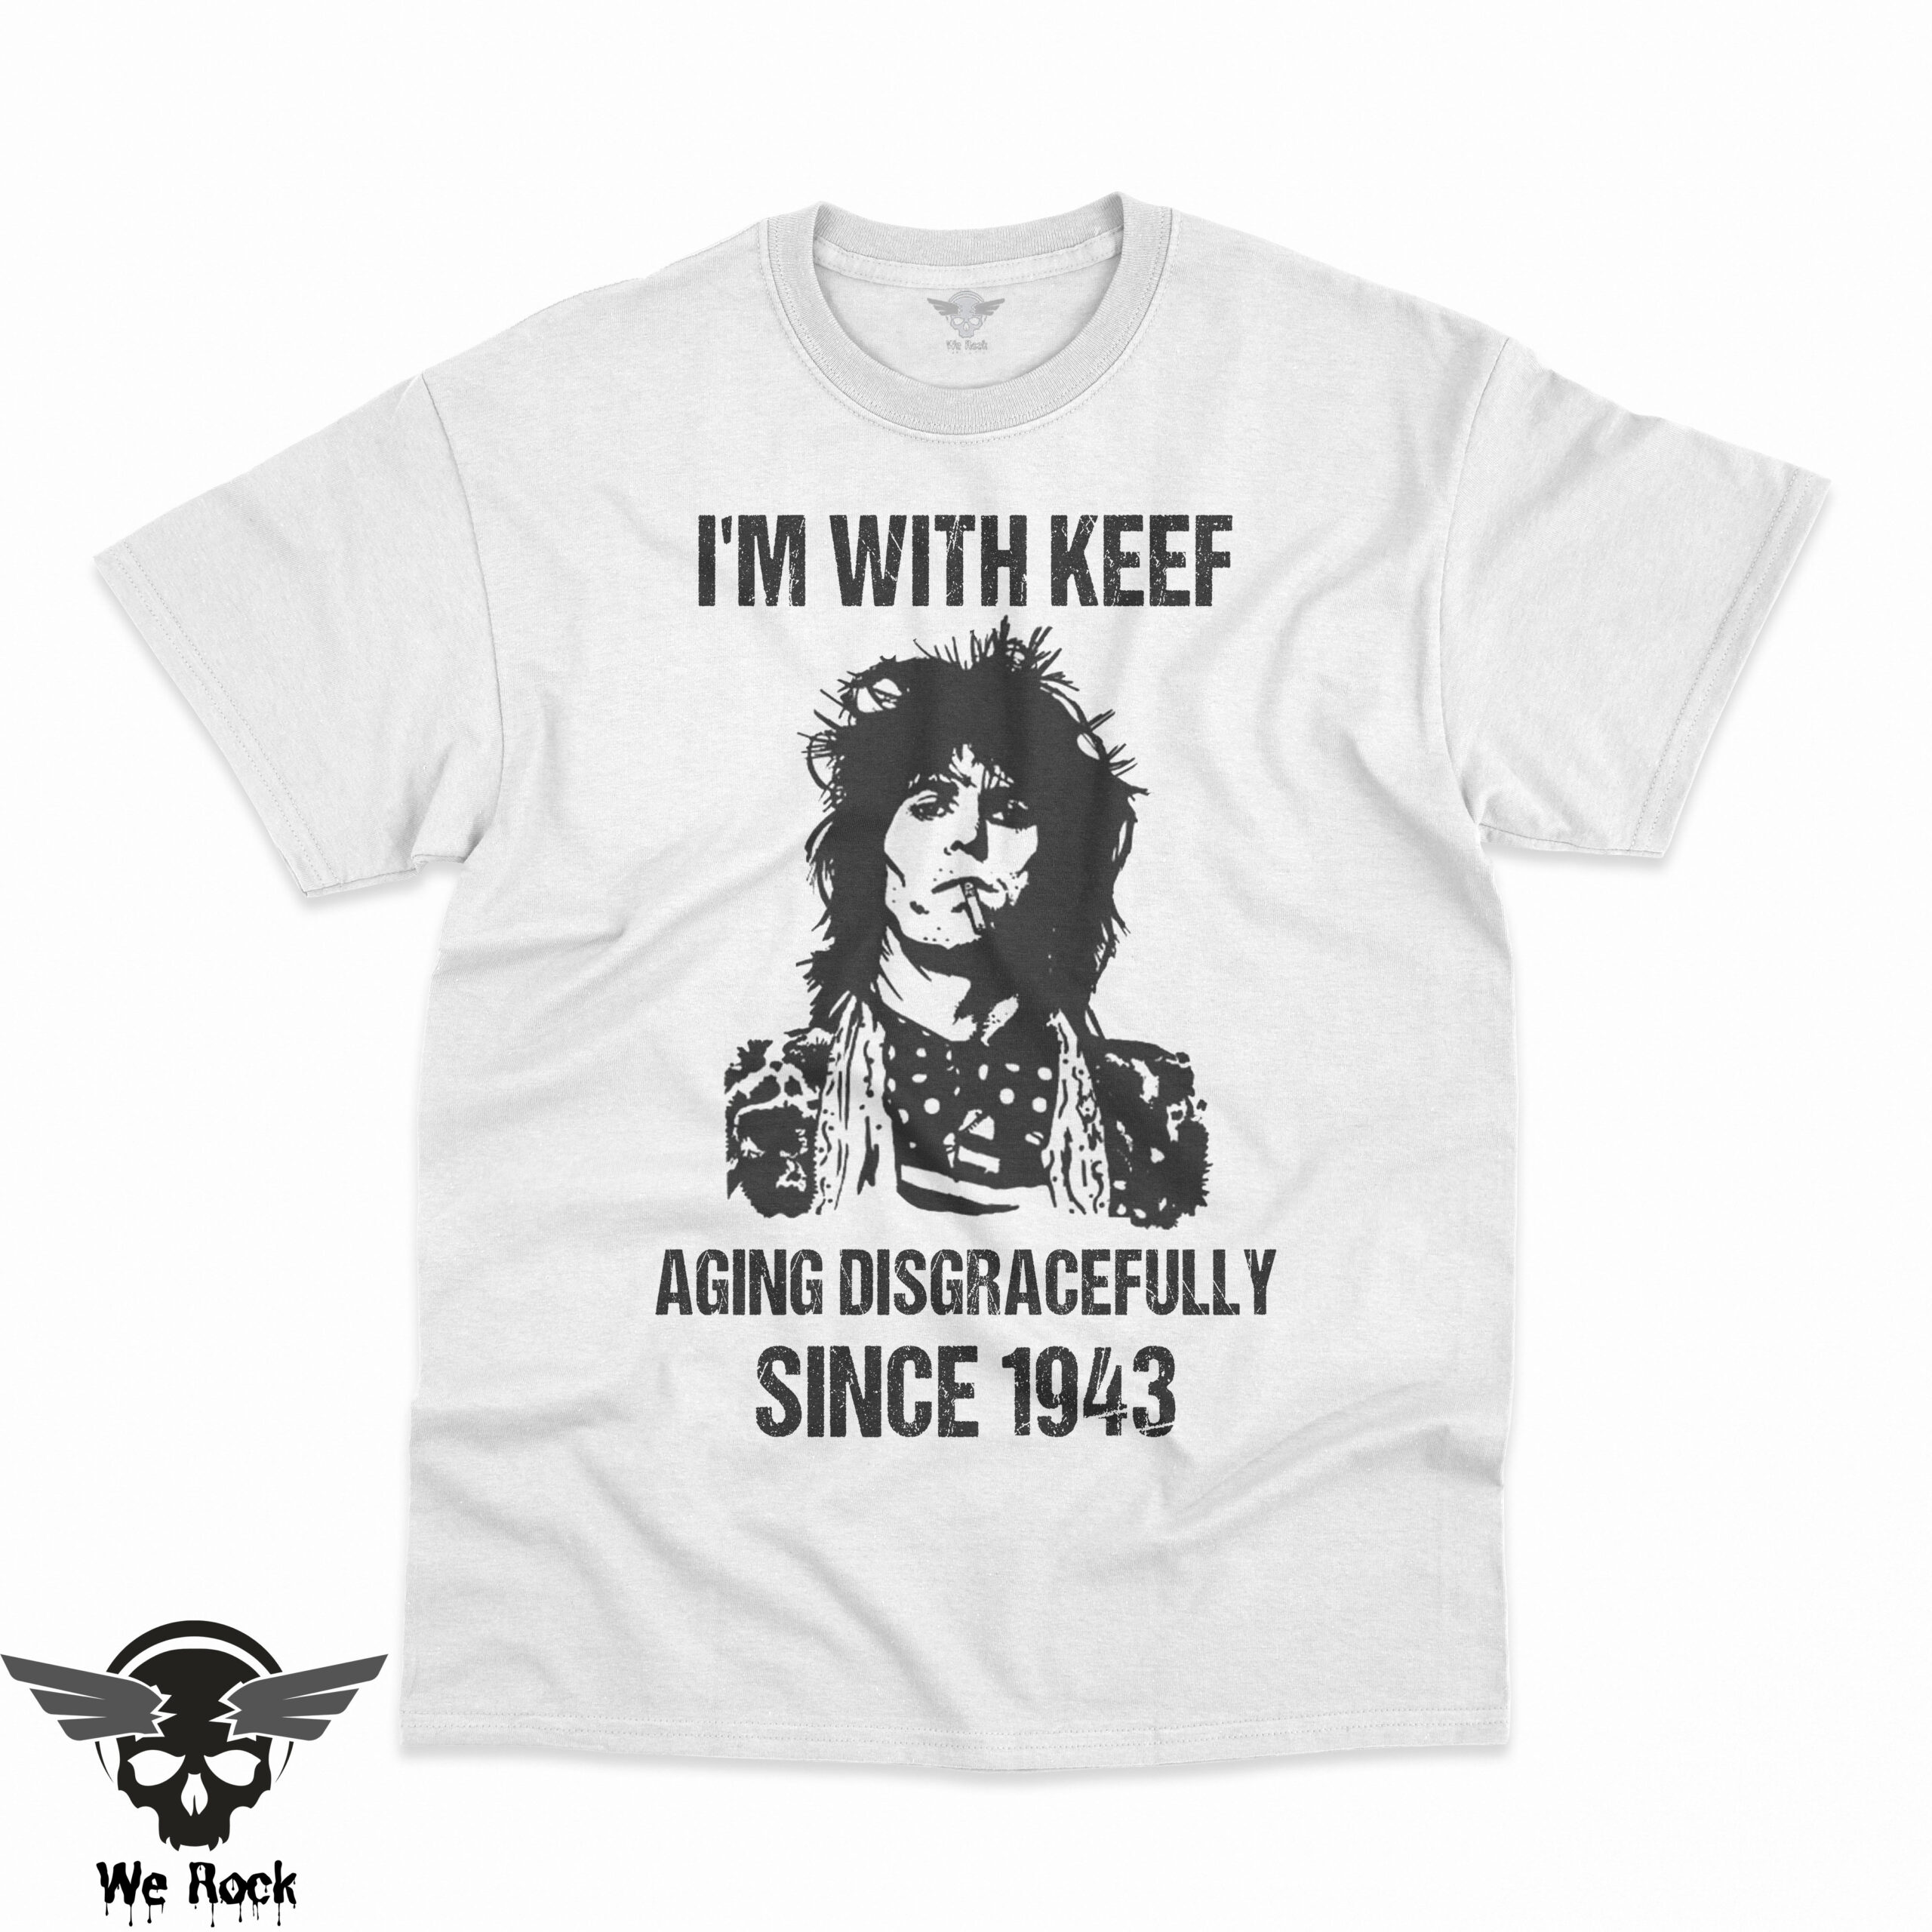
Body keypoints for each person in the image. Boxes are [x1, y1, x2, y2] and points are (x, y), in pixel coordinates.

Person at [726, 617, 1208, 1223]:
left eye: (1009, 811)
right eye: (930, 805)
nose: (967, 839)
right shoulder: (765, 1099)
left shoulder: (1155, 1104)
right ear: (870, 843)